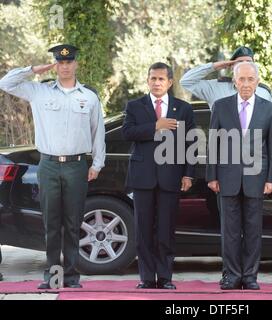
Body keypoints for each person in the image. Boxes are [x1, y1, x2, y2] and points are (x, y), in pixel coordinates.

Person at [0, 44, 106, 289]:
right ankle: (53, 276)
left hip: (76, 165)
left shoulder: (88, 96)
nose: (65, 66)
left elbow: (97, 131)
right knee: (51, 223)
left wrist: (97, 164)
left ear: (76, 64)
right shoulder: (40, 91)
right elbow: (6, 83)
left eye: (69, 62)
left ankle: (70, 276)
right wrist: (34, 69)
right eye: (60, 62)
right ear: (55, 64)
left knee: (72, 223)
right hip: (48, 165)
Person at [206, 61, 272, 290]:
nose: (246, 84)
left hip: (257, 179)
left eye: (250, 79)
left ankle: (249, 276)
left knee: (253, 230)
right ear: (234, 82)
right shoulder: (221, 106)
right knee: (229, 231)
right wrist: (211, 176)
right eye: (241, 79)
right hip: (226, 178)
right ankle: (231, 275)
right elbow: (213, 145)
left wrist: (271, 178)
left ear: (257, 81)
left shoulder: (268, 108)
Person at [122, 62, 195, 290]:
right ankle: (146, 278)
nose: (156, 82)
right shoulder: (135, 106)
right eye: (153, 78)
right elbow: (127, 132)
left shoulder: (183, 108)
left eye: (161, 79)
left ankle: (165, 277)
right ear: (147, 80)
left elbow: (189, 143)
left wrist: (188, 175)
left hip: (171, 177)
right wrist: (156, 126)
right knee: (143, 230)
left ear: (170, 82)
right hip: (142, 177)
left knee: (166, 229)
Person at [180, 46, 272, 109]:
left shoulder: (264, 92)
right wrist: (214, 66)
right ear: (232, 66)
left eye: (249, 62)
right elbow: (186, 81)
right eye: (240, 62)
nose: (245, 65)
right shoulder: (215, 88)